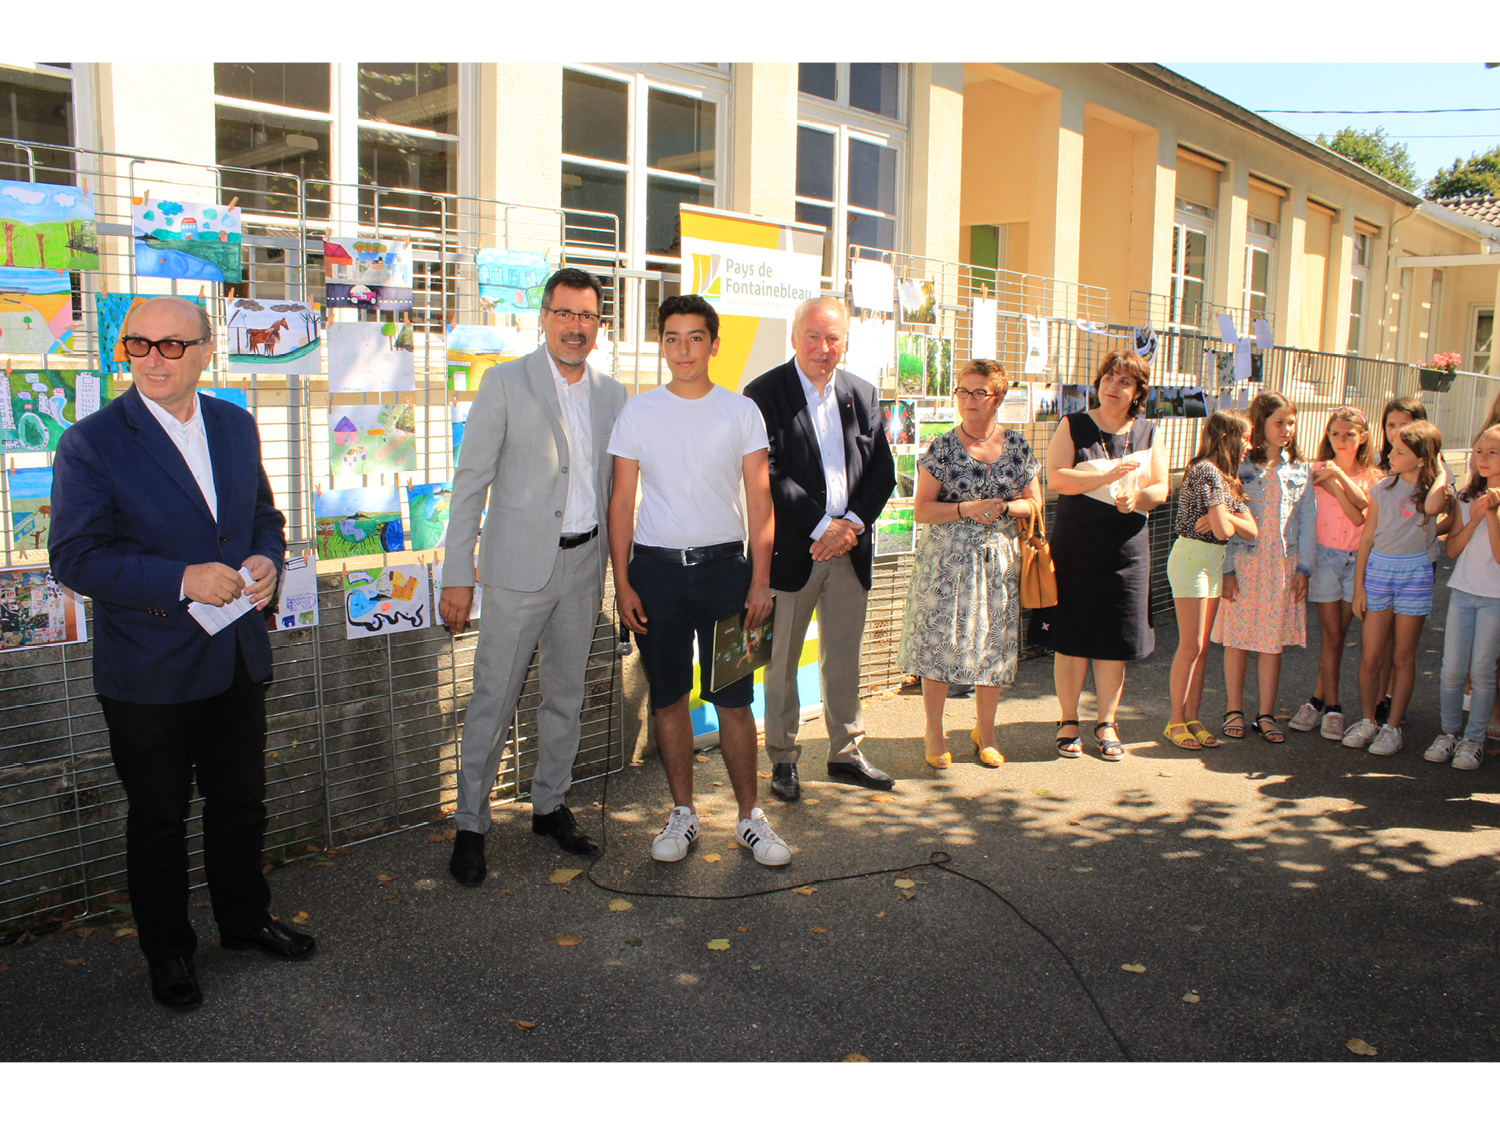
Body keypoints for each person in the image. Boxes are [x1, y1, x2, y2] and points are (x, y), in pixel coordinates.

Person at [48, 295, 309, 1011]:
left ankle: (244, 919)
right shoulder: (92, 442)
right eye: (137, 344)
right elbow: (73, 557)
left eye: (170, 345)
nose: (152, 359)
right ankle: (167, 951)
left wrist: (265, 559)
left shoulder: (234, 425)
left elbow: (264, 516)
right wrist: (179, 578)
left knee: (240, 804)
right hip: (149, 670)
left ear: (203, 353)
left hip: (233, 658)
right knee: (159, 818)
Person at [439, 268, 627, 885]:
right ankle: (471, 824)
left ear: (599, 326)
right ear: (544, 317)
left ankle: (549, 804)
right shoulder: (503, 382)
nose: (576, 327)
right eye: (565, 314)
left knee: (565, 697)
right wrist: (456, 575)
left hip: (583, 565)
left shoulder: (612, 395)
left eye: (588, 317)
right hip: (517, 570)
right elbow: (470, 485)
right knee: (494, 697)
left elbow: (618, 491)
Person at [608, 294, 790, 866]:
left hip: (725, 575)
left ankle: (749, 819)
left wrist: (760, 580)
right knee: (668, 699)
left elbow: (761, 503)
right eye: (671, 337)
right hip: (655, 574)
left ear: (714, 344)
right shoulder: (638, 412)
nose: (682, 349)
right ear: (659, 344)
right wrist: (623, 583)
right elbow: (620, 504)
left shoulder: (741, 412)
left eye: (694, 337)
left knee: (735, 701)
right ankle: (682, 813)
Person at [742, 296, 897, 801]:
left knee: (844, 659)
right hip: (793, 553)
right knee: (781, 660)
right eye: (813, 336)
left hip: (848, 552)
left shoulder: (862, 394)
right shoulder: (764, 393)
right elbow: (767, 472)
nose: (823, 348)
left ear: (844, 343)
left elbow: (883, 471)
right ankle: (784, 759)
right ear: (794, 337)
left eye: (833, 339)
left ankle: (845, 754)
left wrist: (849, 525)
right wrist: (820, 525)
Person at [896, 359, 1041, 768]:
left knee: (992, 647)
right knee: (939, 647)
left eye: (979, 392)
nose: (968, 400)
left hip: (997, 562)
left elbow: (1035, 503)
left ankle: (986, 732)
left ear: (998, 398)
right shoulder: (942, 447)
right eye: (962, 391)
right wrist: (966, 508)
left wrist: (1005, 506)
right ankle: (934, 731)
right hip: (945, 563)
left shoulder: (1016, 446)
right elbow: (922, 510)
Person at [1034, 351, 1168, 762]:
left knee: (1115, 639)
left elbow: (1161, 489)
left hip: (1127, 552)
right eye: (1109, 378)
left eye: (1124, 382)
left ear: (1137, 392)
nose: (1113, 387)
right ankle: (1068, 719)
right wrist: (1107, 476)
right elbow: (1055, 477)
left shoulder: (1148, 432)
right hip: (1077, 547)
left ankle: (1106, 721)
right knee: (1072, 637)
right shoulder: (1074, 424)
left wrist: (1136, 496)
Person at [1344, 419, 1454, 755]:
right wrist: (1359, 587)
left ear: (1422, 458)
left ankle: (1393, 727)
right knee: (1371, 654)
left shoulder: (1435, 491)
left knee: (1403, 655)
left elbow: (1435, 508)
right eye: (1392, 447)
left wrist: (1442, 473)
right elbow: (1366, 539)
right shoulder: (1382, 488)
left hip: (1415, 573)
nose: (1390, 454)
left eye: (1400, 451)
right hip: (1379, 571)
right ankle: (1367, 721)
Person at [1212, 392, 1316, 743]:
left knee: (1271, 643)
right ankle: (1234, 709)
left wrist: (1304, 569)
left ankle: (1266, 714)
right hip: (1243, 564)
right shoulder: (1240, 467)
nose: (1287, 429)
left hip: (1281, 567)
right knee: (1237, 641)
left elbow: (1306, 521)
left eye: (1290, 422)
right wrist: (1225, 571)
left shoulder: (1300, 468)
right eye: (1279, 422)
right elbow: (1225, 521)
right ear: (1259, 424)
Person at [1162, 411, 1256, 750]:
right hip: (1192, 560)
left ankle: (1193, 717)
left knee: (1202, 649)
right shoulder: (1205, 471)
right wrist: (1225, 520)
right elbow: (1224, 531)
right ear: (1229, 437)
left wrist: (1224, 514)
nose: (1249, 444)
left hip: (1211, 562)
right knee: (1191, 645)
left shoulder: (1227, 479)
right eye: (1245, 437)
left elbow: (1250, 529)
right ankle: (1175, 721)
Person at [1286, 407, 1378, 739]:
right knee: (1333, 635)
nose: (1341, 440)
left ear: (1363, 438)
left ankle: (1316, 701)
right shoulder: (1315, 470)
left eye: (1349, 434)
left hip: (1357, 562)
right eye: (1335, 434)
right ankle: (1333, 706)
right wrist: (1330, 475)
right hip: (1324, 558)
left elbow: (1360, 514)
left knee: (1337, 637)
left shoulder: (1372, 475)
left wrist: (1337, 478)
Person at [1426, 423, 1500, 770]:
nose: (1483, 458)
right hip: (1463, 592)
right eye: (1479, 451)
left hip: (1494, 597)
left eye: (1492, 452)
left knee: (1483, 671)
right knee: (1452, 670)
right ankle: (1449, 733)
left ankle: (1474, 740)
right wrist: (1473, 520)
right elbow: (1453, 549)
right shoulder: (1466, 496)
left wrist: (1493, 514)